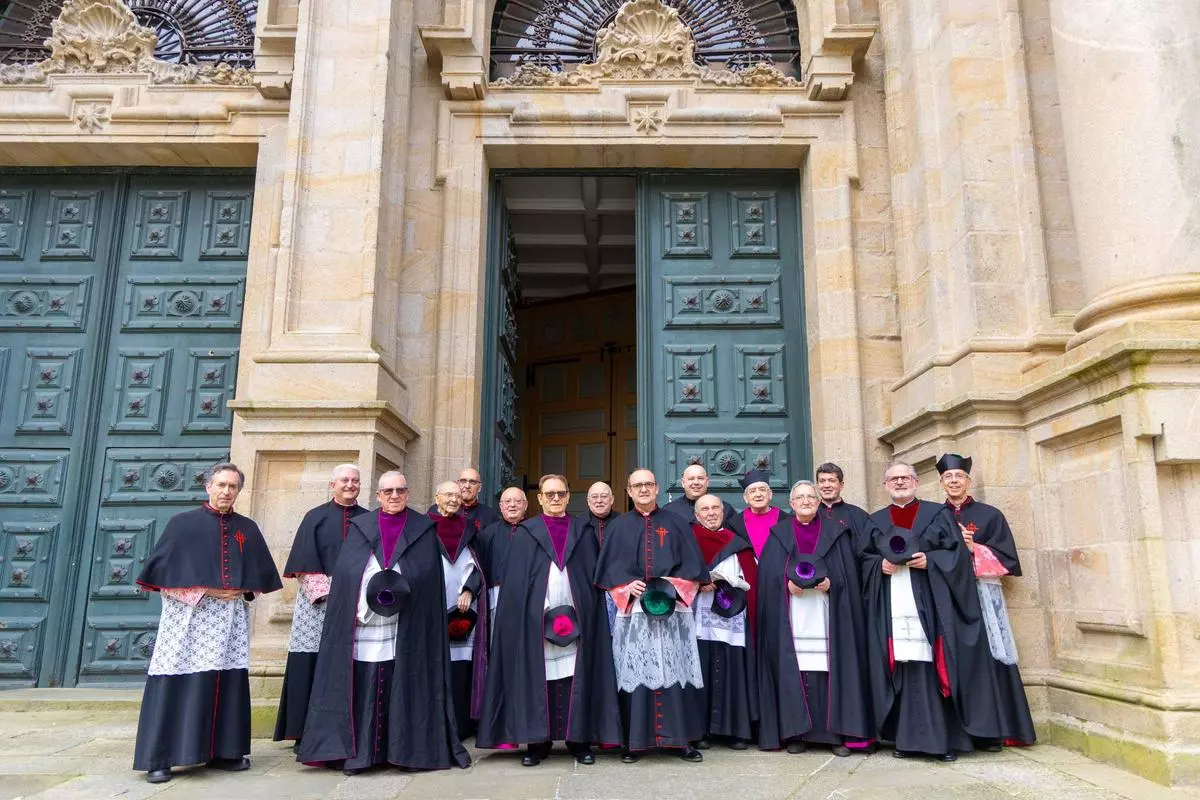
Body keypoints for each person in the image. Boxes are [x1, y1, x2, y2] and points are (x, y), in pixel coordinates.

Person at [298, 472, 470, 773]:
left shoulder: (422, 529)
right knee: (364, 684)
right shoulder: (361, 527)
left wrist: (403, 588)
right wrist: (370, 594)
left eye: (400, 490)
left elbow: (428, 577)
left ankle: (405, 752)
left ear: (408, 493)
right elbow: (349, 574)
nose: (394, 496)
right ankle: (362, 754)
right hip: (366, 622)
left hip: (407, 625)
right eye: (388, 491)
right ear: (378, 495)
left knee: (402, 684)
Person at [133, 463, 282, 784]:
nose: (226, 491)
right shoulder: (182, 524)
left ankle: (225, 751)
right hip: (187, 620)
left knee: (225, 681)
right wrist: (208, 590)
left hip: (228, 621)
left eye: (233, 486)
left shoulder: (247, 528)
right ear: (208, 487)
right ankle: (160, 758)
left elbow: (258, 575)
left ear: (239, 490)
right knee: (176, 680)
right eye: (221, 485)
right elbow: (162, 579)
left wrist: (244, 589)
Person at [477, 475, 622, 765]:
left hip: (577, 618)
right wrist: (538, 610)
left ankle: (579, 741)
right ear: (540, 498)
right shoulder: (527, 533)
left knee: (575, 677)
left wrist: (579, 608)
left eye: (560, 494)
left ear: (568, 497)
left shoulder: (582, 531)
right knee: (538, 677)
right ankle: (537, 743)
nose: (556, 498)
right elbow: (517, 584)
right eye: (550, 494)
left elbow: (591, 578)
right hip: (536, 620)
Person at [862, 461, 999, 761]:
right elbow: (862, 559)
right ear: (885, 485)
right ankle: (905, 740)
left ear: (916, 482)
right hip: (892, 605)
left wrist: (932, 562)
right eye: (894, 479)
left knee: (935, 666)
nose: (900, 483)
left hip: (931, 604)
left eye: (905, 478)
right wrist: (878, 565)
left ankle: (942, 741)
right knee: (901, 667)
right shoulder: (875, 521)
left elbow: (958, 556)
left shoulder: (937, 514)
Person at [594, 469, 709, 763]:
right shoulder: (618, 527)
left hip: (672, 611)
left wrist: (673, 585)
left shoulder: (676, 523)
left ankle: (681, 740)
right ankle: (635, 742)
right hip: (634, 614)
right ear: (629, 491)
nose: (643, 489)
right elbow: (607, 573)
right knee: (635, 673)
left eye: (648, 484)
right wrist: (625, 586)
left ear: (657, 488)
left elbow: (693, 569)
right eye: (637, 485)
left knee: (676, 670)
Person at [756, 481, 872, 755]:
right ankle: (797, 734)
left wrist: (833, 584)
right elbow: (768, 576)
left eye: (811, 496)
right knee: (795, 667)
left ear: (819, 502)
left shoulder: (836, 533)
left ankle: (834, 735)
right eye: (800, 497)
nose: (806, 501)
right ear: (791, 504)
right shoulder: (779, 534)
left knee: (828, 667)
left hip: (826, 613)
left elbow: (848, 574)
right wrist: (786, 585)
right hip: (793, 614)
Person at [938, 453, 1037, 748]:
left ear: (968, 481)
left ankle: (999, 729)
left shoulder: (990, 515)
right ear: (941, 483)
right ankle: (959, 732)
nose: (954, 481)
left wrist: (975, 548)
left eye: (959, 476)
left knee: (990, 655)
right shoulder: (934, 516)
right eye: (948, 477)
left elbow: (1009, 561)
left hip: (982, 595)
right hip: (949, 597)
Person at [274, 464, 368, 749]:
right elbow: (303, 562)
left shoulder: (369, 519)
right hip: (317, 603)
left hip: (358, 602)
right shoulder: (314, 517)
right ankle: (303, 732)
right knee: (310, 662)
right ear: (332, 485)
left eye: (355, 480)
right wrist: (333, 593)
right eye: (344, 480)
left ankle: (352, 728)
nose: (350, 485)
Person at [687, 494, 759, 750]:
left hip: (732, 621)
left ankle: (735, 731)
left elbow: (753, 579)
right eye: (705, 509)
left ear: (723, 512)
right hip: (698, 620)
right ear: (697, 515)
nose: (710, 513)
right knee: (701, 671)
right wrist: (697, 583)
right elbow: (676, 575)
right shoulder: (688, 541)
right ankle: (701, 730)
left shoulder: (738, 544)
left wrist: (735, 583)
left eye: (715, 508)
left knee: (733, 671)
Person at [429, 480, 489, 739]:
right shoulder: (424, 527)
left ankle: (462, 725)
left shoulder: (470, 529)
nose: (454, 499)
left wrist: (469, 590)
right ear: (437, 497)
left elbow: (479, 565)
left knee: (462, 666)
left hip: (464, 609)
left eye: (457, 495)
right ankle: (436, 724)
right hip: (432, 606)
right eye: (448, 495)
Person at [476, 486, 530, 629]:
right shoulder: (488, 534)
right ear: (500, 506)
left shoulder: (536, 530)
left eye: (518, 501)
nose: (512, 505)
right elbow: (479, 567)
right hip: (497, 594)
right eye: (507, 501)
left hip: (529, 593)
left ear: (525, 505)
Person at [579, 481, 619, 629]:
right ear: (588, 501)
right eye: (594, 497)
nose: (599, 500)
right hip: (588, 587)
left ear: (612, 499)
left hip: (617, 586)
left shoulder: (623, 522)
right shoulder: (578, 524)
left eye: (604, 496)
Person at [727, 469, 779, 560]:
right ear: (745, 498)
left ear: (770, 494)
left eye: (762, 490)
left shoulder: (786, 520)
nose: (758, 494)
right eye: (752, 491)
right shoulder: (735, 524)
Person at [664, 465, 736, 528]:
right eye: (691, 479)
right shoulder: (670, 510)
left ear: (707, 482)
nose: (696, 482)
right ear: (683, 483)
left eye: (700, 478)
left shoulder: (725, 509)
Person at [428, 467, 500, 529]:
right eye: (463, 481)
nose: (467, 486)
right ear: (457, 484)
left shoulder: (490, 516)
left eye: (472, 482)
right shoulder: (438, 509)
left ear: (479, 488)